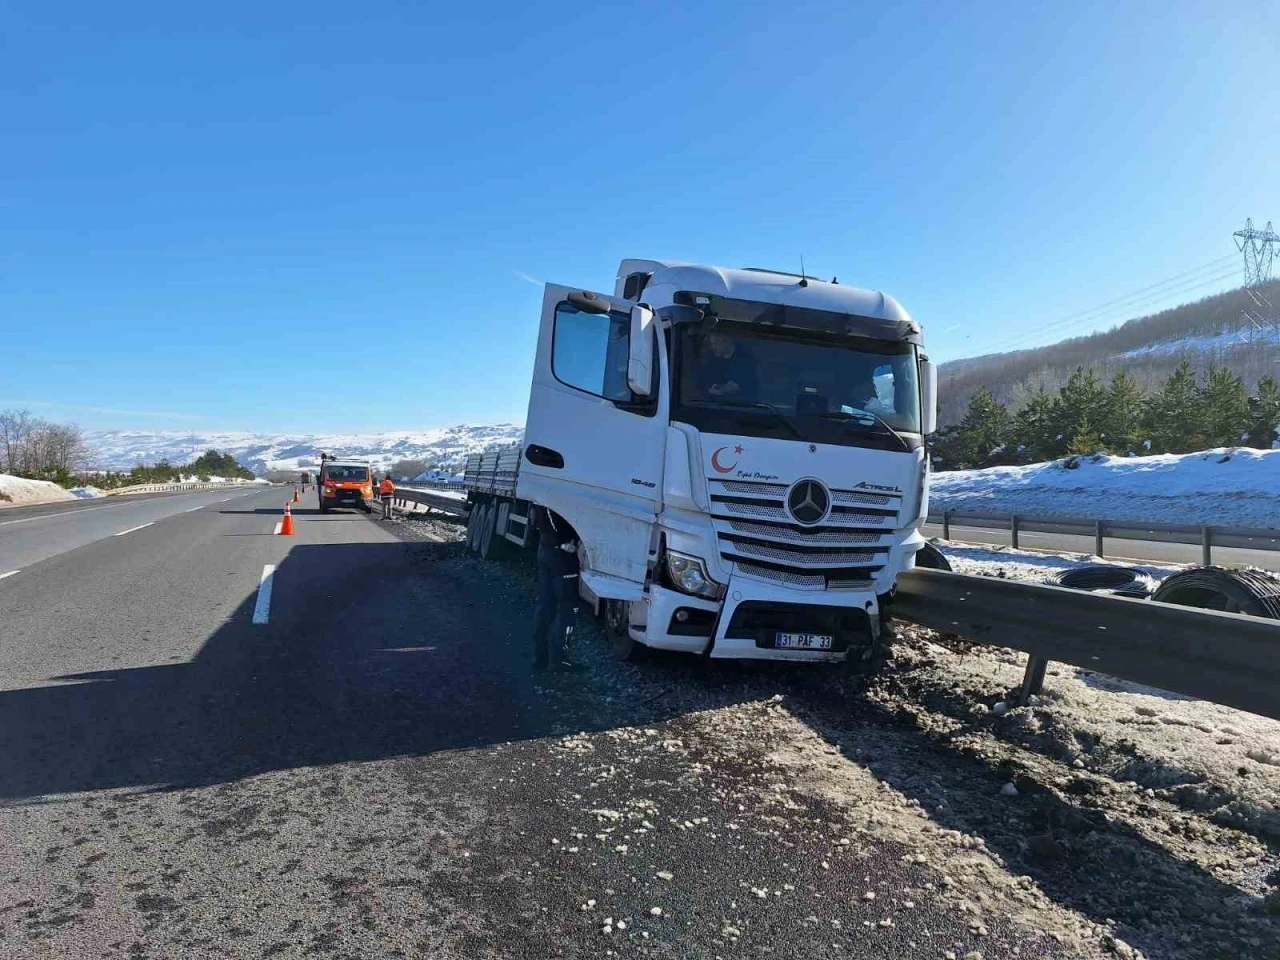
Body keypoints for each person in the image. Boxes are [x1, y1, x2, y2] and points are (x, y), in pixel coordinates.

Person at [531, 505, 580, 672]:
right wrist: (567, 542)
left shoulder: (541, 494)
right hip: (562, 556)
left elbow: (534, 522)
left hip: (544, 550)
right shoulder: (561, 494)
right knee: (568, 609)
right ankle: (559, 659)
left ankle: (540, 659)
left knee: (545, 607)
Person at [696, 330, 758, 400]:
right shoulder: (710, 358)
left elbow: (741, 384)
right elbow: (701, 381)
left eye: (716, 343)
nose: (713, 347)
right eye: (711, 344)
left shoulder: (745, 359)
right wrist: (708, 389)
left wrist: (722, 389)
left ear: (727, 342)